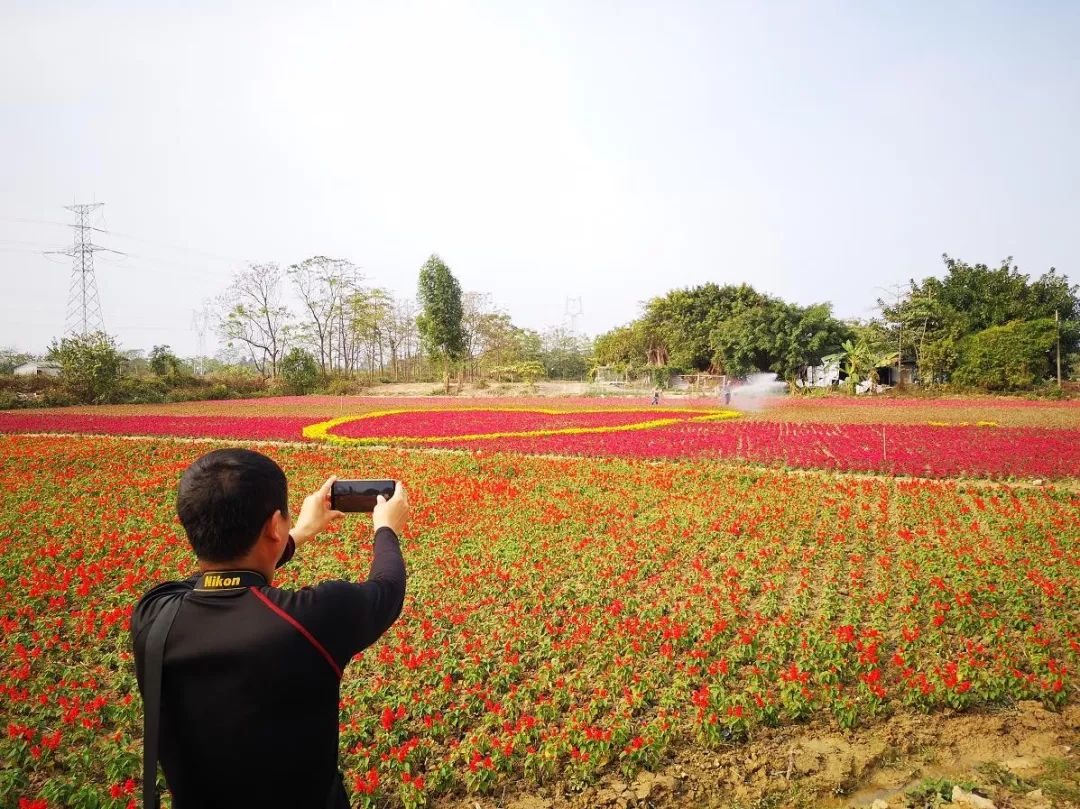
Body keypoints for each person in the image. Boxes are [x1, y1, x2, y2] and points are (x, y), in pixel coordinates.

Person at [130, 448, 409, 809]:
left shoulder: (153, 615)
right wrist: (386, 528)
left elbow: (218, 577)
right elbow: (388, 586)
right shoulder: (309, 619)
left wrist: (298, 532)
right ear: (272, 526)